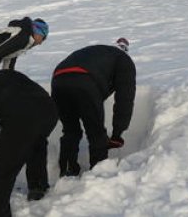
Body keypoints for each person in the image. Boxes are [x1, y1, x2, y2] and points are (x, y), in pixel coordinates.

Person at [0, 69, 58, 216]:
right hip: (49, 110)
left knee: (0, 172)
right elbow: (20, 99)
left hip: (22, 116)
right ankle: (38, 187)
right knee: (36, 142)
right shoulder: (8, 75)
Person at [50, 37, 136, 177]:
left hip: (58, 79)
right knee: (96, 133)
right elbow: (124, 99)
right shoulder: (124, 60)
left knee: (71, 131)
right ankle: (97, 176)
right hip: (84, 80)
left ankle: (67, 172)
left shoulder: (96, 53)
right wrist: (117, 134)